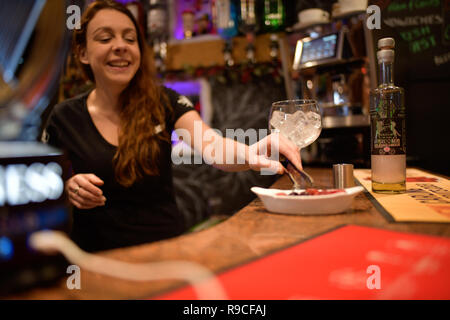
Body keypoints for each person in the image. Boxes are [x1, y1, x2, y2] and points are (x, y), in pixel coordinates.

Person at [42, 0, 302, 252]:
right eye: (105, 38)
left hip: (166, 252)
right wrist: (67, 187)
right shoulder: (64, 117)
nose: (120, 46)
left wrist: (252, 152)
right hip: (96, 260)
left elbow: (211, 145)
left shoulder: (163, 100)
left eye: (130, 39)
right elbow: (42, 185)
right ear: (82, 52)